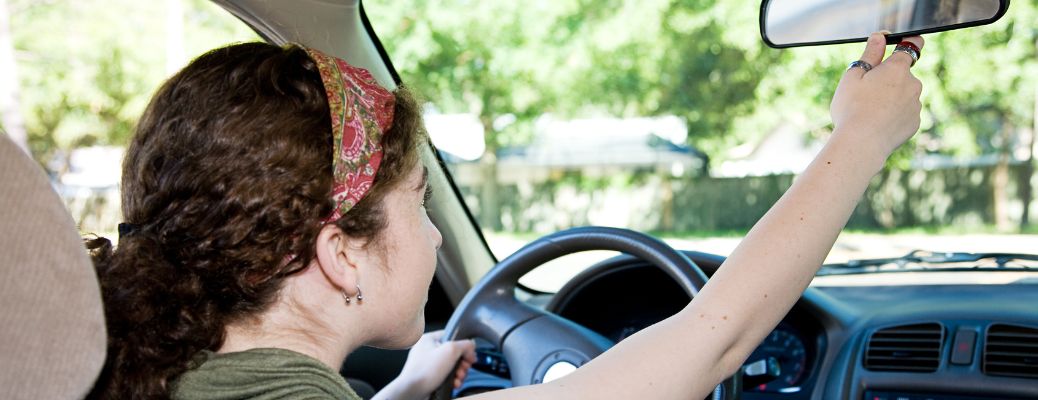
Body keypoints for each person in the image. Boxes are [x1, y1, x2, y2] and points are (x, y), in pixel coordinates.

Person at [87, 31, 923, 400]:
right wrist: (861, 135)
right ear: (341, 253)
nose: (438, 233)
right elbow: (716, 338)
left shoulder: (132, 371)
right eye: (419, 203)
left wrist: (404, 390)